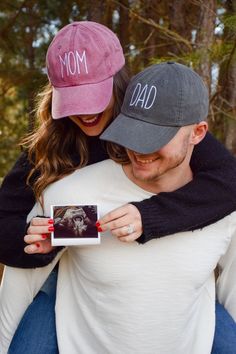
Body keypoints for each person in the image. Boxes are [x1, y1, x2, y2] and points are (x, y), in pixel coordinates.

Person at [0, 21, 236, 354]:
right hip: (71, 277)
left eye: (93, 95)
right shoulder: (52, 146)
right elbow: (8, 224)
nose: (85, 111)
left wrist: (149, 216)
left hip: (171, 293)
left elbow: (228, 180)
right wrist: (38, 240)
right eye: (73, 99)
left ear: (118, 80)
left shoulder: (158, 114)